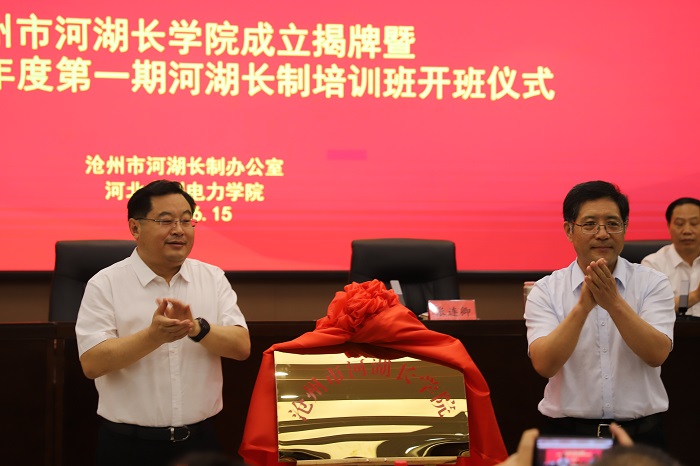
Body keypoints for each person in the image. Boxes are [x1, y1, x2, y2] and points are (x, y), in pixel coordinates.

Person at [75, 180, 251, 466]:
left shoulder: (212, 278)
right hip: (128, 447)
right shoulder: (105, 283)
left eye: (186, 220)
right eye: (166, 221)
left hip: (200, 443)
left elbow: (241, 347)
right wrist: (153, 337)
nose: (179, 230)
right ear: (135, 228)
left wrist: (197, 328)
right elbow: (92, 363)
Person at [524, 180, 675, 448]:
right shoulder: (545, 290)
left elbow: (657, 354)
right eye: (590, 224)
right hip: (568, 439)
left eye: (613, 224)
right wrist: (582, 308)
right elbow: (544, 364)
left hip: (640, 438)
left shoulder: (653, 283)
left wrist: (613, 303)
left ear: (625, 227)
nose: (602, 233)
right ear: (569, 230)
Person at [641, 197, 700, 317]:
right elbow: (651, 309)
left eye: (694, 223)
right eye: (679, 224)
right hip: (670, 329)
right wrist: (696, 296)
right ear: (669, 226)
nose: (687, 231)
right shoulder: (652, 264)